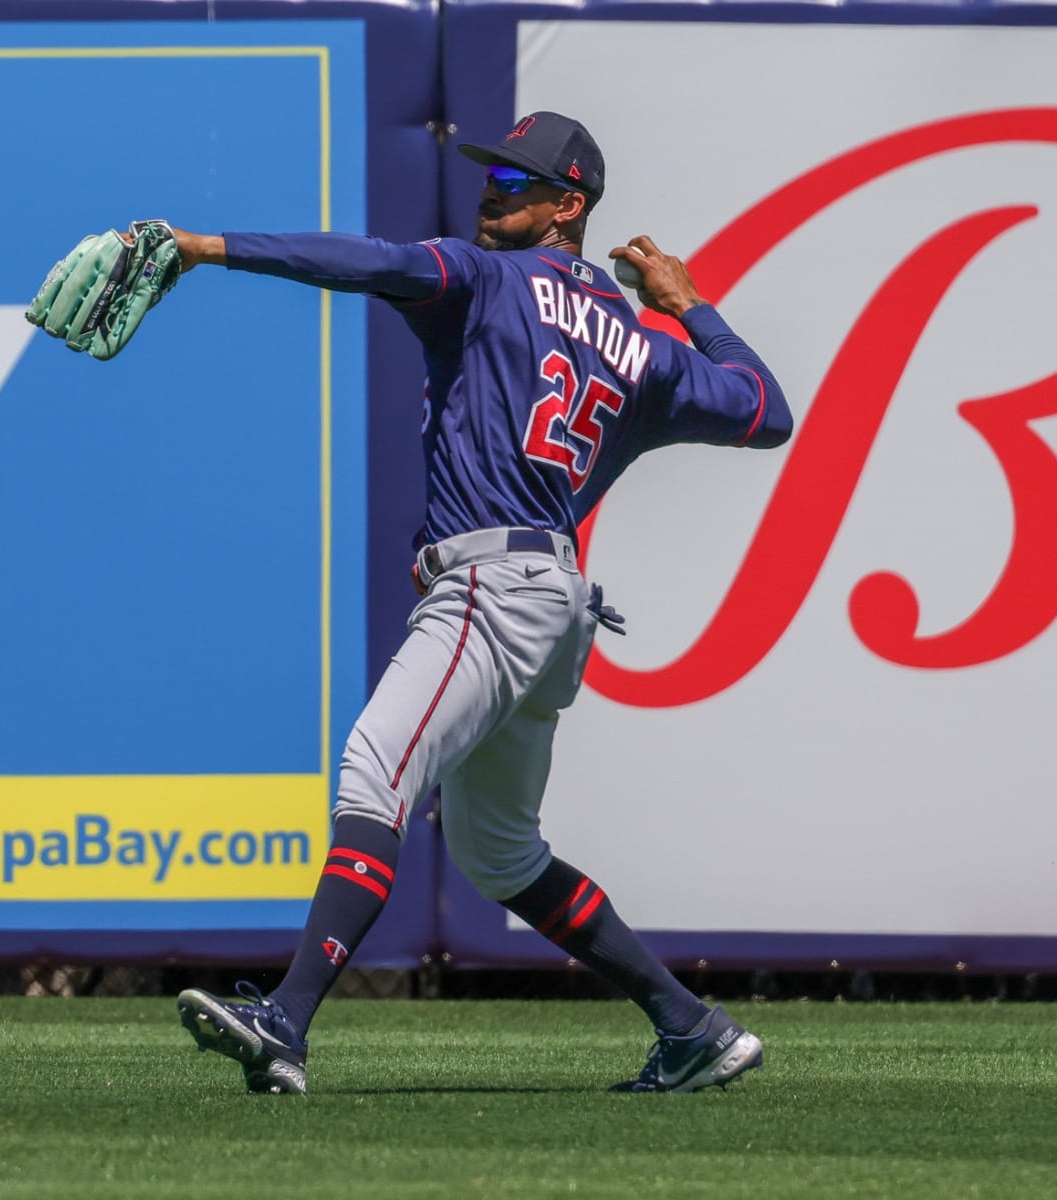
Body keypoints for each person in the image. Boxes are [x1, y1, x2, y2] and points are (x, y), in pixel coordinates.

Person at [175, 111, 792, 1095]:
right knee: (500, 852)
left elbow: (362, 261)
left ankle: (284, 1022)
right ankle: (694, 1028)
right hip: (557, 607)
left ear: (567, 207)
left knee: (374, 771)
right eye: (493, 176)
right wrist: (690, 307)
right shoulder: (644, 347)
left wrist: (206, 246)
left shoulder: (488, 276)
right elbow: (767, 412)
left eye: (517, 182)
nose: (491, 192)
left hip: (492, 586)